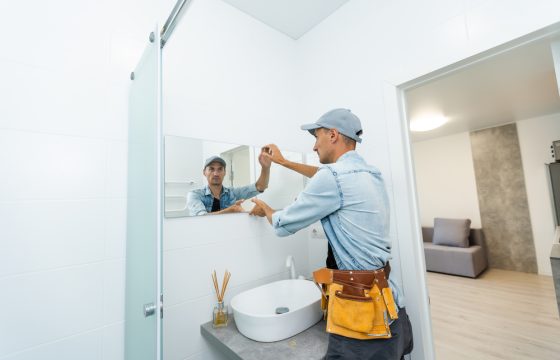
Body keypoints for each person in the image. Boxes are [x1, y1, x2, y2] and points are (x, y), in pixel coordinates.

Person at [250, 108, 413, 359]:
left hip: (362, 315)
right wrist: (283, 163)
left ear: (333, 135)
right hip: (390, 304)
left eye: (317, 137)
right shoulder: (371, 173)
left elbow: (283, 224)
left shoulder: (333, 177)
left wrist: (265, 207)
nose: (315, 147)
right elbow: (325, 176)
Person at [187, 150, 271, 216]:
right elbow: (201, 218)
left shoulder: (232, 193)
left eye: (220, 169)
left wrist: (265, 168)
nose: (216, 173)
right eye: (211, 169)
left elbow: (260, 186)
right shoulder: (195, 195)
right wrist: (230, 210)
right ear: (204, 172)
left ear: (225, 172)